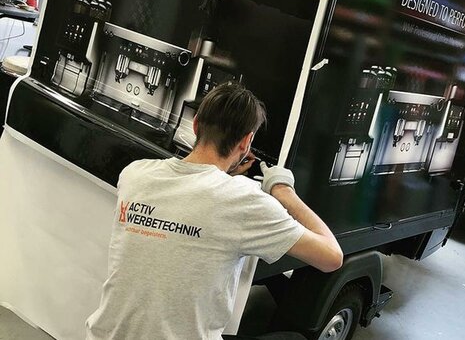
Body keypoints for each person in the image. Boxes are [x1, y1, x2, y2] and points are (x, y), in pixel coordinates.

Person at [86, 83, 343, 340]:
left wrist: (222, 175)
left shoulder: (134, 174)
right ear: (247, 141)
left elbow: (190, 204)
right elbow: (331, 256)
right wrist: (284, 191)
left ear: (196, 124)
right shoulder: (244, 200)